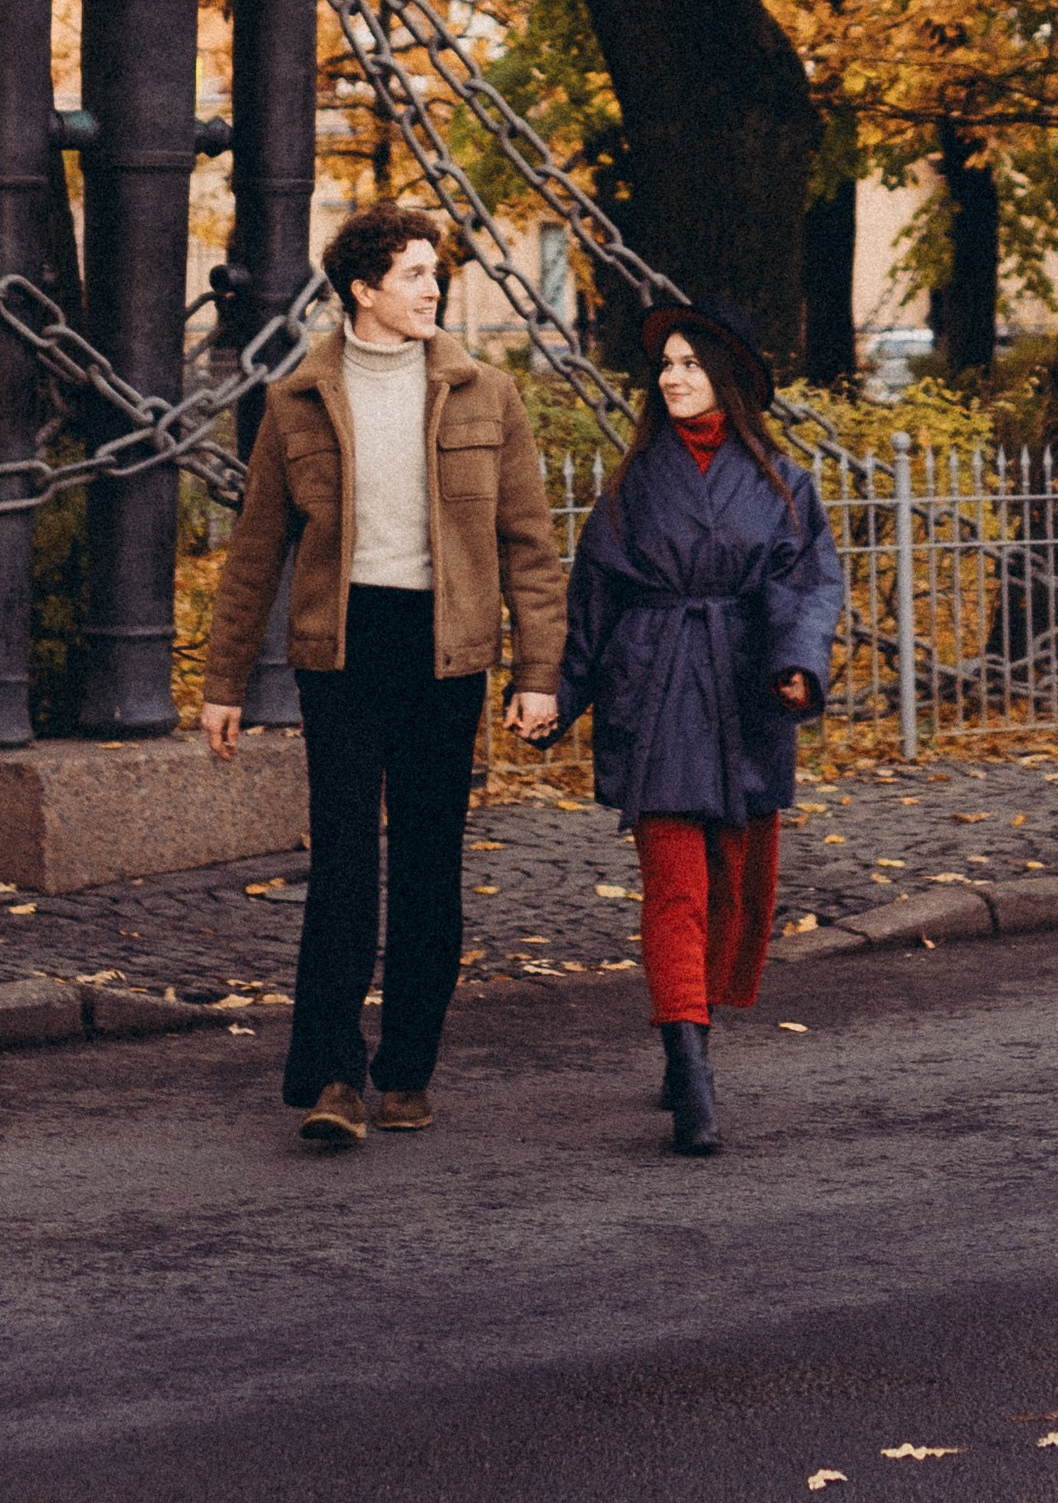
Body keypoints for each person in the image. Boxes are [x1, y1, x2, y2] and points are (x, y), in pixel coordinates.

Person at [202, 202, 566, 1145]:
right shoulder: (297, 402)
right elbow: (254, 555)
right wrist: (224, 683)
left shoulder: (487, 393)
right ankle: (334, 1079)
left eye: (433, 274)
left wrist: (539, 672)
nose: (431, 288)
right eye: (413, 274)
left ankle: (407, 1068)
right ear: (362, 290)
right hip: (342, 647)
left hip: (447, 651)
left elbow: (529, 546)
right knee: (343, 868)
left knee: (428, 867)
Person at [553, 299, 841, 1157]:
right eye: (665, 366)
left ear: (729, 379)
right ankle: (691, 1069)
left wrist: (798, 662)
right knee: (674, 884)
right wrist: (557, 694)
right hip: (655, 688)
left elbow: (809, 582)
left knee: (736, 885)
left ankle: (695, 1035)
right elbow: (592, 594)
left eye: (689, 364)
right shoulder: (636, 481)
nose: (673, 378)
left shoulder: (785, 482)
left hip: (745, 693)